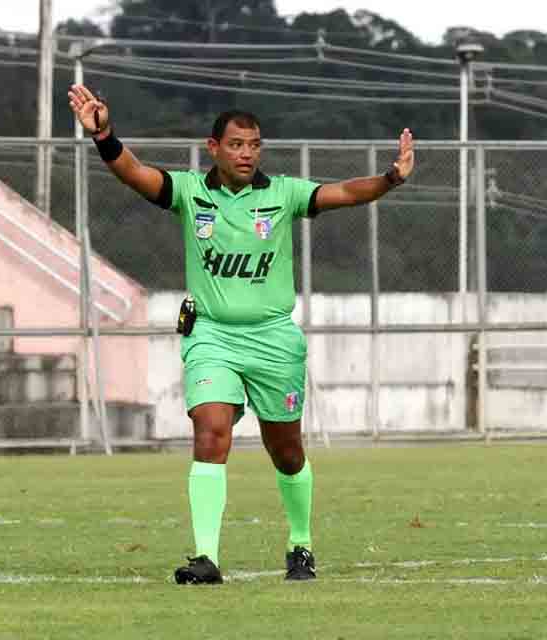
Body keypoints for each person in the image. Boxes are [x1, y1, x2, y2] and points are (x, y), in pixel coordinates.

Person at [68, 84, 414, 584]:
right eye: (236, 144)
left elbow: (342, 192)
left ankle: (301, 544)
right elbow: (135, 174)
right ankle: (205, 558)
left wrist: (390, 178)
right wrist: (104, 135)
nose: (246, 153)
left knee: (287, 451)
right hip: (211, 335)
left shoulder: (283, 194)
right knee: (210, 432)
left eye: (253, 145)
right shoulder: (191, 191)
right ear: (214, 147)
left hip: (273, 338)